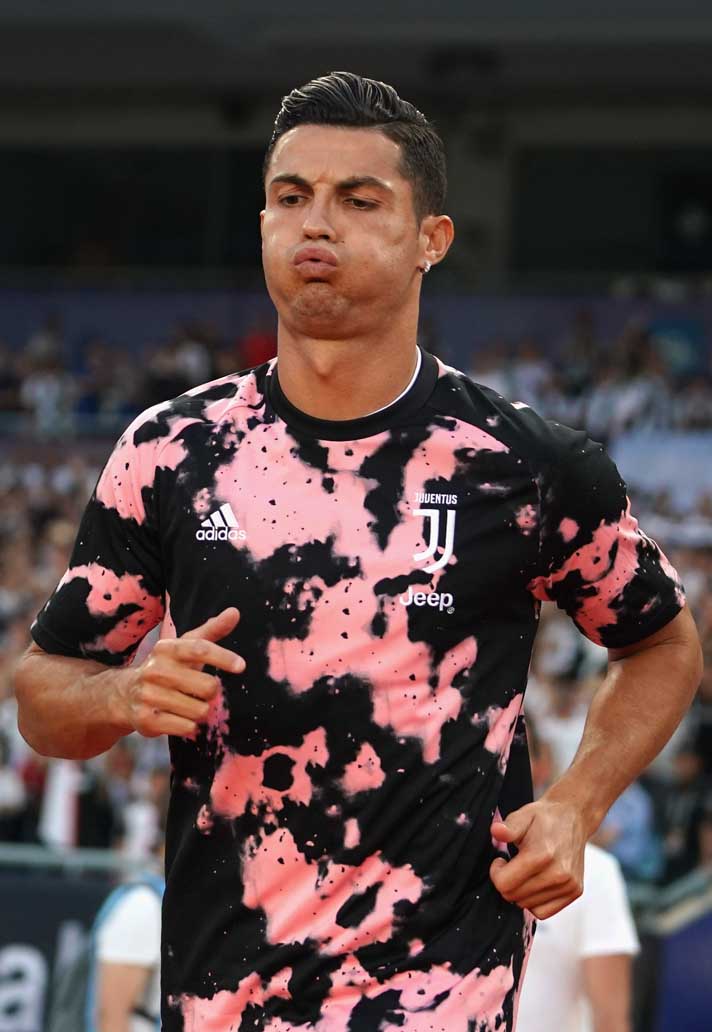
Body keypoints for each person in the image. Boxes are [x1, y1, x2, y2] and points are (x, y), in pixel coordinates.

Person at [14, 72, 701, 1031]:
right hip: (223, 999)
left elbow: (663, 643)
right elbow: (44, 693)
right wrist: (121, 696)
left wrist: (577, 805)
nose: (316, 224)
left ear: (432, 239)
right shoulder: (171, 452)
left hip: (440, 998)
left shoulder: (526, 465)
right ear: (263, 224)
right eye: (291, 196)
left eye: (358, 199)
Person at [517, 720, 639, 1032]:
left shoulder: (597, 871)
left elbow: (611, 1020)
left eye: (513, 755)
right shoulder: (420, 869)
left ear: (541, 767)